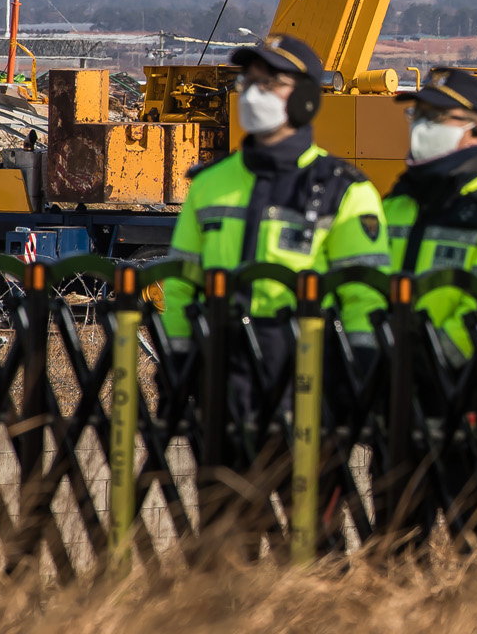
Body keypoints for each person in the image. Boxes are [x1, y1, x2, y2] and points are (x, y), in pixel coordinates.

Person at [162, 34, 391, 389]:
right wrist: (177, 359)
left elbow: (365, 296)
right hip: (220, 375)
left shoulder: (345, 191)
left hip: (307, 378)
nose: (254, 94)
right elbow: (181, 284)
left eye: (271, 83)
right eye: (249, 82)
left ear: (305, 100)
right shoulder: (209, 183)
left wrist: (360, 375)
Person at [379, 68, 477, 359]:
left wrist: (432, 362)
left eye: (437, 117)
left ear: (476, 131)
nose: (421, 126)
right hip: (377, 379)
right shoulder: (395, 205)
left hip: (452, 385)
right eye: (417, 114)